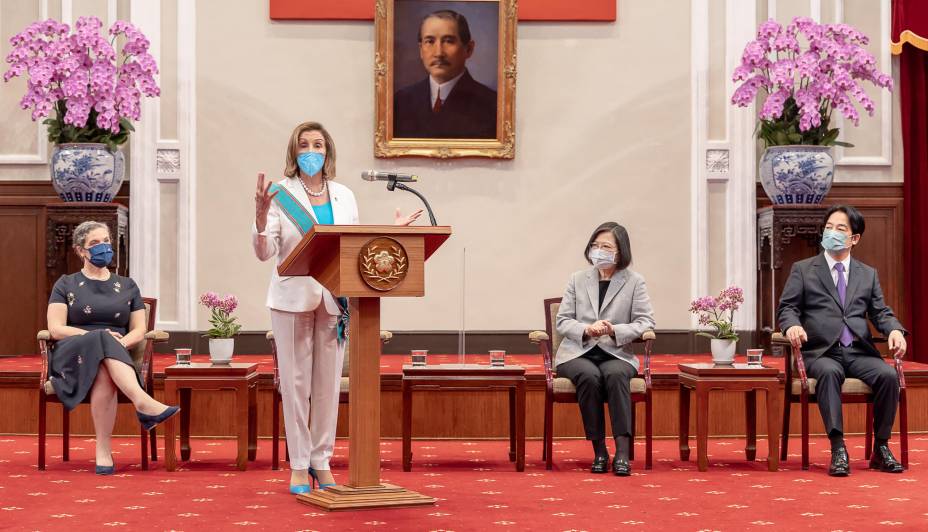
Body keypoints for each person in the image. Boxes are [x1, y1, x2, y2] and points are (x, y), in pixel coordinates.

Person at [252, 121, 421, 495]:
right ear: (293, 153)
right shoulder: (280, 195)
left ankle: (320, 460)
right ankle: (297, 465)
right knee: (296, 387)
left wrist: (390, 235)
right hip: (291, 300)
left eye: (317, 144)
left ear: (328, 151)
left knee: (327, 388)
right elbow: (265, 252)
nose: (311, 151)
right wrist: (261, 219)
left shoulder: (344, 195)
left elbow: (354, 248)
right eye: (303, 145)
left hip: (335, 299)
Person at [778, 204, 907, 476]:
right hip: (821, 352)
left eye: (840, 229)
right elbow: (787, 308)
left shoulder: (867, 274)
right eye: (828, 228)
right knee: (829, 373)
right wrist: (792, 326)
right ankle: (838, 447)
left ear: (854, 238)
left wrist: (894, 329)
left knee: (887, 376)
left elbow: (880, 312)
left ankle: (881, 448)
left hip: (858, 351)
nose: (832, 233)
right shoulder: (804, 269)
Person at [46, 221, 180, 475]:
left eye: (106, 241)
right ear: (80, 251)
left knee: (105, 366)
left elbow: (139, 330)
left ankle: (103, 450)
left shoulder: (128, 285)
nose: (103, 248)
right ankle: (143, 402)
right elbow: (56, 329)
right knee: (101, 339)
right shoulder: (65, 284)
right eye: (94, 244)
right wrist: (97, 336)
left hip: (116, 355)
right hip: (73, 354)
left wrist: (116, 342)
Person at [554, 222, 655, 476]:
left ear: (620, 252)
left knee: (616, 375)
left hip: (615, 351)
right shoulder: (577, 279)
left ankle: (622, 453)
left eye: (606, 246)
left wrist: (614, 330)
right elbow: (563, 321)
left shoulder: (634, 282)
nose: (599, 251)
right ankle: (599, 451)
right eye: (595, 246)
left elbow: (645, 322)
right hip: (578, 351)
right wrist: (587, 329)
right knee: (589, 376)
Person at [393, 9, 497, 139]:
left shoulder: (492, 105)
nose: (438, 53)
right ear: (421, 50)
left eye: (448, 41)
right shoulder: (400, 102)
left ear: (468, 49)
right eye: (430, 41)